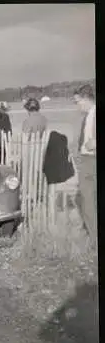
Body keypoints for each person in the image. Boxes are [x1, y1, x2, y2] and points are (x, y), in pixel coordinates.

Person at [73, 84, 96, 245]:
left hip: (94, 160)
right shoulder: (87, 116)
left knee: (90, 201)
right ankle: (94, 239)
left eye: (78, 101)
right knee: (87, 201)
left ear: (86, 99)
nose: (77, 105)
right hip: (86, 161)